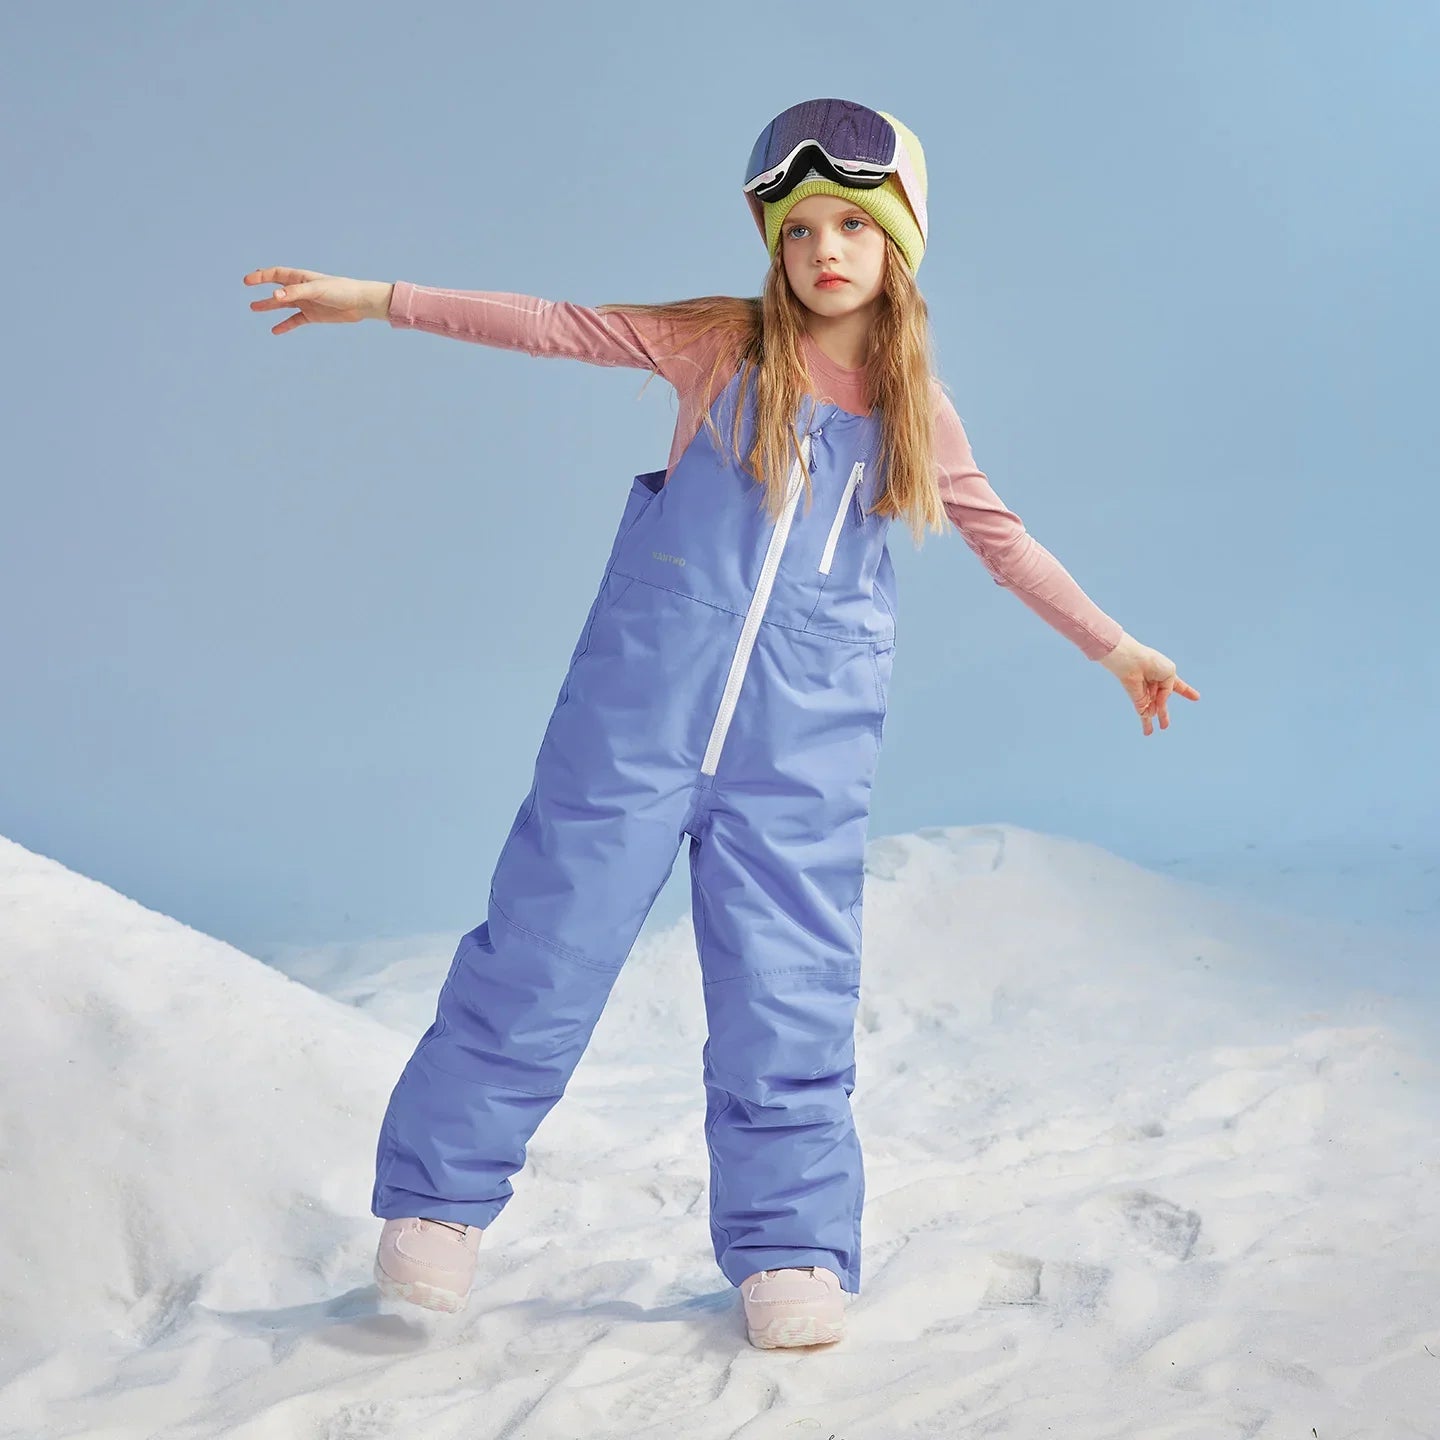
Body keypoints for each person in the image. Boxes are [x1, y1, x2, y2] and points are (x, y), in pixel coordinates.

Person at [243, 98, 1198, 1350]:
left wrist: (1117, 648)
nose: (824, 250)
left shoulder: (916, 409)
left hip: (800, 753)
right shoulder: (719, 347)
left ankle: (790, 1245)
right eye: (798, 229)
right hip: (634, 721)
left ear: (900, 243)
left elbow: (1000, 539)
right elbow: (554, 325)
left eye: (853, 225)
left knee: (788, 992)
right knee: (540, 950)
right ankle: (437, 1206)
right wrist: (379, 298)